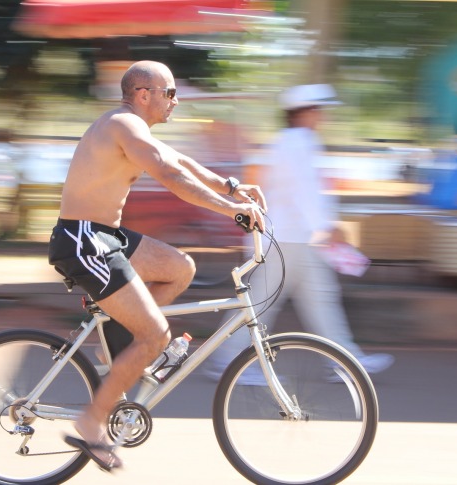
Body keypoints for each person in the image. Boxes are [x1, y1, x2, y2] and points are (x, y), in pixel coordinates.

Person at [47, 60, 266, 470]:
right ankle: (92, 423)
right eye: (169, 92)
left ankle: (124, 346)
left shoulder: (134, 129)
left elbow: (181, 161)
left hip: (105, 237)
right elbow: (169, 175)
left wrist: (232, 186)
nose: (175, 101)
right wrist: (231, 209)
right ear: (143, 94)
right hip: (84, 243)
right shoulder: (123, 125)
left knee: (180, 267)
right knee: (156, 335)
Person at [204, 84, 393, 385]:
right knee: (264, 303)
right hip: (284, 240)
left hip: (293, 239)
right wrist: (327, 227)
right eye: (319, 110)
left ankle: (344, 361)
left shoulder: (292, 141)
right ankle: (227, 361)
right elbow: (304, 191)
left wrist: (322, 227)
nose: (323, 116)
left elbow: (305, 192)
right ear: (305, 112)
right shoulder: (297, 143)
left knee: (318, 299)